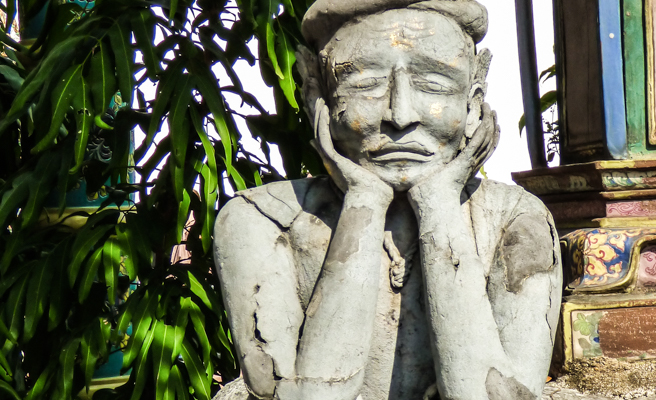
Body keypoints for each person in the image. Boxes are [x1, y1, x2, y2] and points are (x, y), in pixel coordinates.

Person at [213, 1, 562, 399]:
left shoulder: (516, 220)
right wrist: (365, 201)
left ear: (473, 100)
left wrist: (440, 205)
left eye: (434, 84)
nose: (400, 114)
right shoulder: (262, 220)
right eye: (364, 84)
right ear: (316, 95)